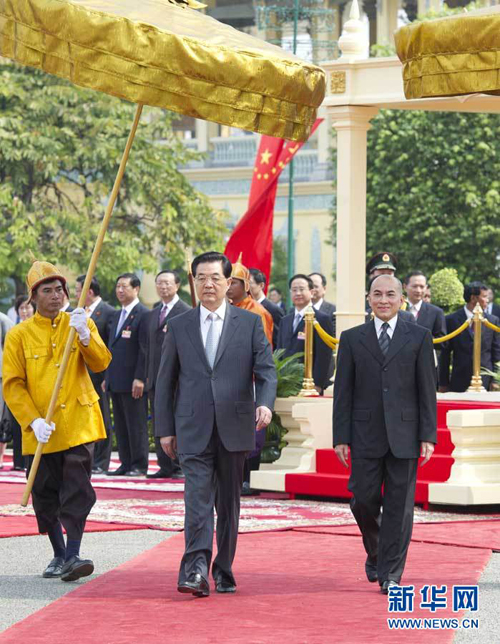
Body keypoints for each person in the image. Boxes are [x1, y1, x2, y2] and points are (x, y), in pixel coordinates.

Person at [155, 251, 277, 597]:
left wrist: (265, 405)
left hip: (235, 426)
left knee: (227, 505)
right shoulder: (179, 326)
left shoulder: (249, 323)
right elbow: (165, 381)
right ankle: (195, 570)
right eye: (201, 278)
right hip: (191, 429)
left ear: (229, 283)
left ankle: (224, 567)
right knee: (196, 502)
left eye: (216, 278)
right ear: (193, 282)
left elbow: (266, 372)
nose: (208, 284)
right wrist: (165, 428)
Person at [2, 260, 111, 580]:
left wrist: (86, 337)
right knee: (45, 493)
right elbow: (12, 384)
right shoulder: (19, 335)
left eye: (59, 289)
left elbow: (102, 362)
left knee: (78, 488)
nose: (54, 295)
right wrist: (32, 421)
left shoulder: (79, 322)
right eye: (46, 290)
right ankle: (59, 553)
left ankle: (75, 553)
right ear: (32, 297)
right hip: (41, 429)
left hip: (78, 421)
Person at [333, 275, 437, 594]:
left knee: (399, 507)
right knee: (362, 500)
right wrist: (340, 436)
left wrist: (427, 435)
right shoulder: (352, 338)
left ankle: (391, 573)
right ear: (368, 298)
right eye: (377, 294)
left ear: (401, 299)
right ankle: (377, 551)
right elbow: (343, 391)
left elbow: (426, 390)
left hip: (405, 434)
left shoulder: (419, 337)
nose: (383, 300)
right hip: (364, 433)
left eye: (390, 294)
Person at [145, 270, 190, 479]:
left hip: (179, 378)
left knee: (177, 419)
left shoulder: (186, 311)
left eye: (167, 283)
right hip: (155, 377)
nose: (163, 287)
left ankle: (179, 464)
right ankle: (164, 465)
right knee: (159, 419)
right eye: (159, 283)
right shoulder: (154, 312)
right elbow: (146, 348)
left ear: (177, 286)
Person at [105, 273, 149, 476]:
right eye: (118, 286)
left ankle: (139, 464)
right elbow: (110, 348)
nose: (120, 290)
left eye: (124, 286)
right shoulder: (115, 315)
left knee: (135, 424)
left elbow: (144, 349)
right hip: (116, 379)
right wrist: (107, 376)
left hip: (134, 380)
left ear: (136, 289)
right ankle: (126, 462)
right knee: (121, 425)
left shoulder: (143, 314)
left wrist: (140, 377)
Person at [75, 275, 116, 474]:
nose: (76, 294)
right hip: (82, 376)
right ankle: (92, 459)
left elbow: (111, 347)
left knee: (103, 419)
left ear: (89, 291)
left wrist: (108, 376)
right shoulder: (79, 313)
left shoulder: (108, 312)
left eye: (78, 290)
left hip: (100, 376)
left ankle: (102, 460)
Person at [277, 274, 334, 393]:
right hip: (286, 383)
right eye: (294, 290)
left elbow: (324, 355)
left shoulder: (322, 318)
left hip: (309, 384)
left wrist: (317, 384)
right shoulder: (285, 320)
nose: (298, 293)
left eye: (302, 289)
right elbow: (279, 351)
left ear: (312, 292)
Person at [439, 282, 500, 393]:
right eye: (484, 296)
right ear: (473, 298)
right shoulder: (451, 320)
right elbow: (445, 354)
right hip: (459, 381)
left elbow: (496, 353)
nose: (487, 300)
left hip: (486, 381)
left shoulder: (492, 321)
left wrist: (496, 380)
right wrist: (443, 383)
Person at [3, 295, 35, 471]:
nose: (25, 311)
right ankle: (18, 461)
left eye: (28, 307)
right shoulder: (14, 332)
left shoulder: (38, 330)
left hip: (35, 382)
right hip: (18, 381)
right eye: (21, 309)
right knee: (17, 422)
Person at [227, 260, 273, 346]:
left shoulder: (258, 311)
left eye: (232, 283)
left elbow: (263, 348)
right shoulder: (225, 309)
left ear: (246, 285)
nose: (228, 287)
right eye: (226, 283)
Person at [404, 271, 446, 341]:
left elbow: (442, 342)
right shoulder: (396, 309)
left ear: (426, 288)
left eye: (422, 287)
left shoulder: (436, 312)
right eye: (415, 286)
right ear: (405, 287)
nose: (418, 290)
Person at [249, 268, 284, 348]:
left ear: (261, 285)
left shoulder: (273, 309)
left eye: (249, 283)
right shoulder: (243, 306)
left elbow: (278, 339)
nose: (246, 286)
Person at [0, 310, 14, 469]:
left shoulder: (3, 320)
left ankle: (1, 457)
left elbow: (11, 347)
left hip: (1, 376)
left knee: (2, 418)